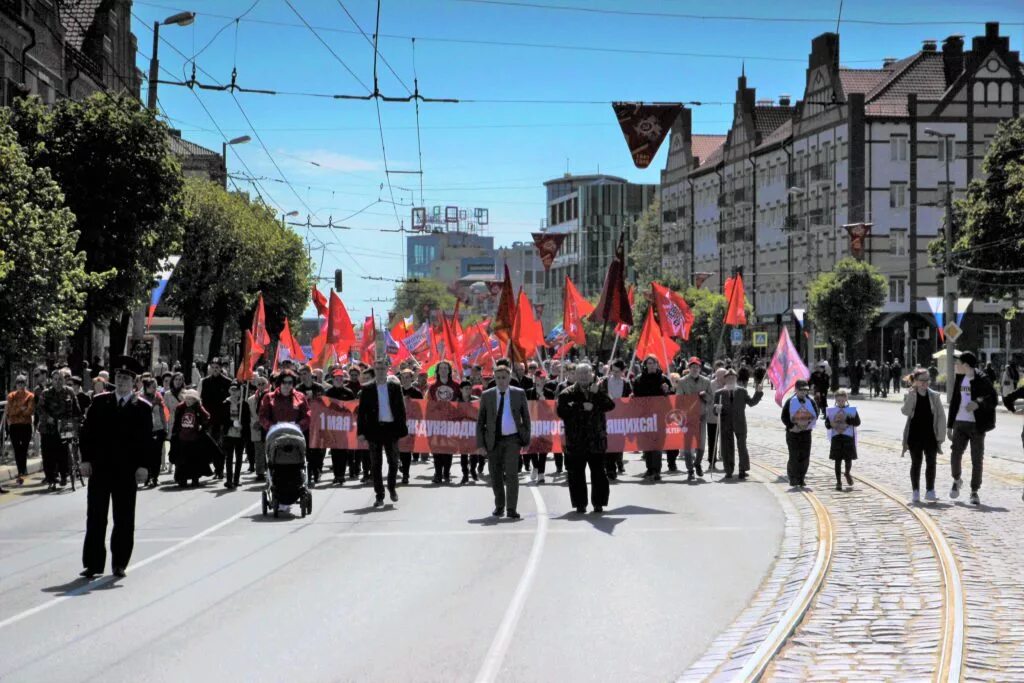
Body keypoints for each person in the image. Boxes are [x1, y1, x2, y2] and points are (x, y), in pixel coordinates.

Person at [78, 356, 152, 578]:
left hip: (126, 471)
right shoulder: (100, 402)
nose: (121, 382)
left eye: (126, 379)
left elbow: (147, 440)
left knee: (124, 518)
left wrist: (144, 466)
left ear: (134, 383)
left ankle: (119, 563)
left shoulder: (142, 408)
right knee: (96, 517)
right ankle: (93, 564)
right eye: (119, 378)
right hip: (100, 469)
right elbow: (87, 433)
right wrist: (85, 460)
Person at [557, 363, 615, 513]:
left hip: (596, 440)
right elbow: (562, 412)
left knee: (599, 474)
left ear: (591, 374)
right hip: (576, 441)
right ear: (575, 375)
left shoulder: (599, 389)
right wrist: (581, 406)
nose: (583, 376)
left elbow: (610, 405)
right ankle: (580, 503)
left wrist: (598, 394)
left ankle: (599, 503)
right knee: (576, 474)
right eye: (580, 373)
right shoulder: (567, 393)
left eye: (586, 373)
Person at [476, 364, 531, 519]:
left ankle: (511, 508)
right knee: (495, 474)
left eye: (504, 378)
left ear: (509, 378)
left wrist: (526, 439)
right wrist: (480, 444)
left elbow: (526, 418)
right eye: (498, 378)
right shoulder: (487, 395)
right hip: (493, 440)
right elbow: (480, 421)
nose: (501, 381)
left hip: (513, 440)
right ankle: (499, 505)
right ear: (494, 378)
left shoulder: (519, 394)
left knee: (512, 474)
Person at [946, 351, 997, 505]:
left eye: (958, 363)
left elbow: (993, 398)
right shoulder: (960, 378)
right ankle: (956, 479)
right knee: (955, 453)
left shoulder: (982, 378)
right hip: (960, 423)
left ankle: (974, 491)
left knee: (977, 459)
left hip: (977, 425)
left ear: (966, 365)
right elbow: (955, 401)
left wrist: (978, 403)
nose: (955, 365)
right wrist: (949, 425)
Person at [357, 359, 408, 507]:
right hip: (374, 430)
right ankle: (379, 495)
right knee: (376, 464)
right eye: (377, 368)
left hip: (391, 429)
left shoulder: (394, 386)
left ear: (387, 369)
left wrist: (402, 428)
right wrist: (361, 432)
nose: (380, 371)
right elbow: (362, 413)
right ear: (374, 369)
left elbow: (401, 409)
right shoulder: (367, 389)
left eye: (382, 368)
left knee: (393, 461)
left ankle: (391, 487)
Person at [902, 368, 946, 503]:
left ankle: (930, 491)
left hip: (930, 435)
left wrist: (940, 436)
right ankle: (915, 491)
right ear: (915, 381)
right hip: (914, 435)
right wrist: (911, 396)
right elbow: (905, 411)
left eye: (927, 380)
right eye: (922, 381)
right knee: (916, 463)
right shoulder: (910, 394)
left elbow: (941, 417)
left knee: (931, 462)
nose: (925, 383)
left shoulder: (934, 396)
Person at [713, 368, 763, 480]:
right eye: (728, 378)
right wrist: (717, 408)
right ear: (725, 379)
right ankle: (729, 470)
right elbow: (714, 409)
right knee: (727, 447)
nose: (731, 379)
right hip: (726, 423)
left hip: (740, 423)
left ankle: (742, 469)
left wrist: (758, 392)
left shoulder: (742, 391)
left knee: (742, 447)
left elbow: (752, 403)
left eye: (733, 378)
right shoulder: (719, 393)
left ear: (736, 379)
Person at [36, 369, 81, 490]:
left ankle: (63, 476)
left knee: (63, 453)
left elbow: (76, 409)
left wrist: (78, 420)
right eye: (55, 379)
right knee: (48, 455)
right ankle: (50, 479)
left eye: (60, 379)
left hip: (65, 426)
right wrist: (48, 418)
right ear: (52, 380)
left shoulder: (69, 391)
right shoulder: (46, 393)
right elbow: (40, 409)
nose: (58, 382)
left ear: (64, 380)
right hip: (48, 428)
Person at [634, 354, 673, 481]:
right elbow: (636, 397)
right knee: (647, 444)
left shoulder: (664, 379)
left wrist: (667, 391)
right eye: (649, 363)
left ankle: (656, 470)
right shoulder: (639, 379)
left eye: (653, 363)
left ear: (657, 364)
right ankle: (649, 468)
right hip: (645, 417)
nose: (651, 365)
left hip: (660, 416)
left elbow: (671, 398)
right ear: (645, 365)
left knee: (658, 444)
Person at [675, 357, 711, 481]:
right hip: (688, 417)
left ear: (700, 368)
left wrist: (705, 395)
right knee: (688, 444)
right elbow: (678, 399)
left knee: (701, 443)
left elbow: (711, 398)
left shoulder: (706, 381)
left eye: (697, 367)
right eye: (692, 367)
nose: (695, 369)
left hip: (702, 415)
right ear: (689, 368)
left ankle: (698, 464)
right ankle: (690, 469)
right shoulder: (682, 381)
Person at [598, 359, 632, 480]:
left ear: (623, 371)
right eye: (613, 371)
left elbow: (630, 400)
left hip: (620, 419)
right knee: (608, 444)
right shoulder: (604, 382)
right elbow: (599, 396)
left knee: (619, 444)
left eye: (618, 371)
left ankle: (618, 461)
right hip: (607, 418)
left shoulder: (626, 384)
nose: (615, 373)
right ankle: (610, 469)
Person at [781, 379, 818, 488]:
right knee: (794, 456)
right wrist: (792, 426)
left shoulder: (810, 401)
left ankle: (801, 478)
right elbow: (784, 417)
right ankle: (793, 477)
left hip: (806, 433)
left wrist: (808, 423)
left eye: (805, 390)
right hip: (793, 433)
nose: (803, 392)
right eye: (801, 390)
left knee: (805, 456)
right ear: (796, 390)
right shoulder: (790, 401)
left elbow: (816, 413)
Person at [170, 389, 211, 487]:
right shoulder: (180, 408)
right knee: (182, 461)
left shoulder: (198, 407)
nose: (188, 401)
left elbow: (207, 417)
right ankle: (182, 479)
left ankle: (195, 479)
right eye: (187, 399)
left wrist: (202, 427)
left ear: (195, 400)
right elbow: (176, 422)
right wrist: (175, 434)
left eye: (191, 399)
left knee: (194, 460)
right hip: (182, 438)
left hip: (194, 438)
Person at [199, 358, 232, 479]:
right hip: (210, 418)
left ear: (221, 368)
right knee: (212, 445)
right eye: (212, 367)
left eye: (217, 367)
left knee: (221, 445)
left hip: (223, 418)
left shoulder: (227, 382)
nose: (215, 369)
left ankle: (220, 469)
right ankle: (217, 468)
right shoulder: (206, 382)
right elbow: (203, 400)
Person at [325, 370, 357, 485]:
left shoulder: (348, 392)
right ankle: (336, 475)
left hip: (345, 425)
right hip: (333, 425)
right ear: (333, 380)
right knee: (334, 451)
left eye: (341, 379)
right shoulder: (328, 392)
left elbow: (353, 408)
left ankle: (342, 475)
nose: (339, 381)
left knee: (343, 451)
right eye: (336, 379)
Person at [429, 360, 459, 484]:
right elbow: (429, 404)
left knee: (448, 448)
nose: (443, 370)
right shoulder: (432, 387)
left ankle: (446, 473)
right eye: (441, 368)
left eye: (445, 368)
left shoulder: (457, 386)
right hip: (436, 422)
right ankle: (438, 473)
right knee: (436, 448)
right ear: (437, 371)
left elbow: (460, 403)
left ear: (449, 370)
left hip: (451, 422)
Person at [825, 389, 860, 492]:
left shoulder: (851, 410)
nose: (840, 402)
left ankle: (847, 473)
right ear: (835, 400)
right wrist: (832, 423)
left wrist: (847, 420)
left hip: (848, 437)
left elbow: (857, 422)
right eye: (838, 400)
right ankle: (838, 482)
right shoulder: (831, 411)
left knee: (848, 459)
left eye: (842, 400)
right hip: (837, 438)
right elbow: (827, 425)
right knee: (837, 460)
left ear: (846, 399)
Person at [5, 375, 35, 486]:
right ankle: (20, 470)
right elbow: (10, 411)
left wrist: (19, 409)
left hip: (26, 425)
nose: (20, 385)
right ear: (16, 384)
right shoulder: (11, 396)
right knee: (17, 449)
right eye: (18, 383)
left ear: (25, 383)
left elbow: (30, 411)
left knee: (24, 448)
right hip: (14, 426)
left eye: (22, 382)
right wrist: (22, 408)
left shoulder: (30, 396)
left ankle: (23, 468)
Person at [140, 376, 169, 488]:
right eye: (152, 387)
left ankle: (155, 477)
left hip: (159, 429)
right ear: (146, 387)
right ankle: (147, 477)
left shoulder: (159, 397)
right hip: (146, 431)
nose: (154, 389)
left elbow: (165, 413)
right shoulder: (140, 398)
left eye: (156, 387)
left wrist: (166, 428)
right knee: (147, 455)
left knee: (157, 455)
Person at [220, 381, 246, 489]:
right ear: (229, 391)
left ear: (240, 392)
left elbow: (247, 418)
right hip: (229, 434)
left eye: (236, 390)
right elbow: (223, 419)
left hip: (240, 435)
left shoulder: (243, 404)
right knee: (229, 458)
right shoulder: (225, 403)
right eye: (232, 390)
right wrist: (232, 423)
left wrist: (242, 425)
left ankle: (236, 479)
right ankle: (229, 480)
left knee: (239, 458)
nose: (234, 393)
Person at [542, 361, 566, 475]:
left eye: (562, 369)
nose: (560, 371)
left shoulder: (570, 384)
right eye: (557, 369)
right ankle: (559, 466)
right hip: (552, 416)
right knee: (556, 442)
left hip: (566, 418)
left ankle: (567, 466)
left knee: (566, 443)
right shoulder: (550, 384)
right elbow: (548, 398)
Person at [245, 376, 270, 481]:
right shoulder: (250, 399)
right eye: (258, 384)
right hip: (255, 427)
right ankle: (259, 472)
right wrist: (255, 423)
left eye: (263, 384)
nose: (260, 386)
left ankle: (270, 471)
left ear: (267, 385)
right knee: (258, 451)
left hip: (267, 427)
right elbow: (249, 414)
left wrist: (262, 422)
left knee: (269, 451)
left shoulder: (270, 397)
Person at [456, 380, 482, 485]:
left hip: (473, 431)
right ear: (461, 390)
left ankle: (473, 470)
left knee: (474, 454)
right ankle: (465, 474)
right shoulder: (457, 401)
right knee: (463, 455)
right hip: (462, 431)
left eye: (469, 388)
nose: (468, 390)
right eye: (466, 388)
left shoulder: (476, 401)